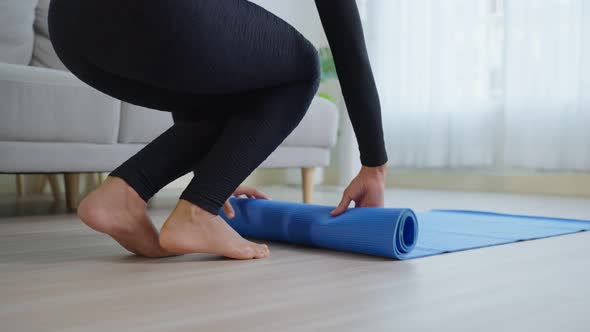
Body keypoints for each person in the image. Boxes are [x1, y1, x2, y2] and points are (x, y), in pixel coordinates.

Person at [47, 0, 388, 260]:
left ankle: (121, 196)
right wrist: (374, 165)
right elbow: (348, 47)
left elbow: (199, 70)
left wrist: (216, 172)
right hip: (151, 16)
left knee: (236, 81)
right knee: (302, 66)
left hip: (71, 29)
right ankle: (195, 215)